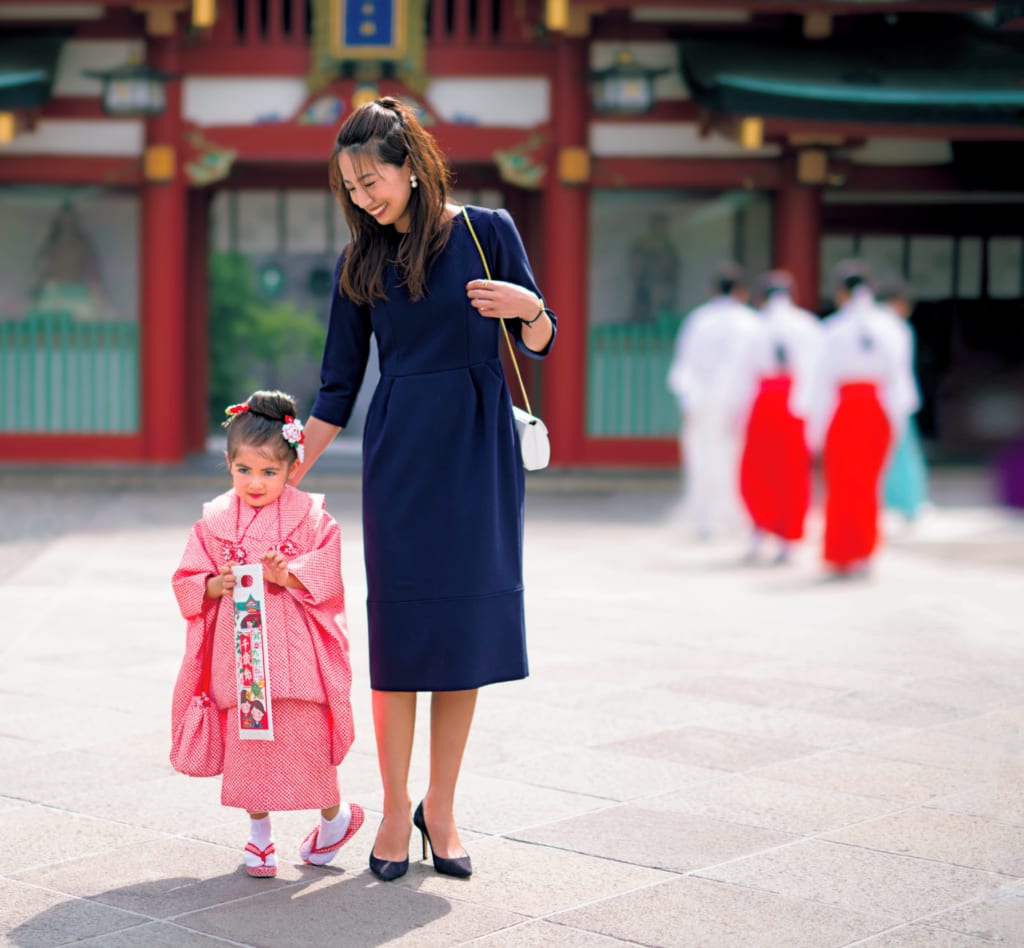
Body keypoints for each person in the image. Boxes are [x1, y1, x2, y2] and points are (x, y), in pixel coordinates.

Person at [291, 97, 556, 881]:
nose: (364, 197)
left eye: (372, 180)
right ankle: (394, 805)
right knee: (403, 638)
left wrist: (529, 307)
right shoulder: (358, 262)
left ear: (412, 166)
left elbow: (541, 341)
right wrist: (280, 475)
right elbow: (337, 387)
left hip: (479, 449)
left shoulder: (488, 230)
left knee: (465, 636)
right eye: (351, 187)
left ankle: (441, 805)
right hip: (403, 452)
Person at [171, 389, 362, 878]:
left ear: (292, 467)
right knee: (250, 753)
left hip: (296, 659)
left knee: (308, 750)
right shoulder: (213, 523)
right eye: (244, 470)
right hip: (242, 660)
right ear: (229, 464)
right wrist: (214, 583)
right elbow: (187, 580)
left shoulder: (314, 518)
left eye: (269, 472)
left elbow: (327, 577)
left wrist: (287, 574)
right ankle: (260, 838)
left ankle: (334, 817)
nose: (255, 483)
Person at [797, 262, 919, 575]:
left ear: (840, 293)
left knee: (840, 483)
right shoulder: (891, 328)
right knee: (869, 483)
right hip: (877, 409)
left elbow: (820, 383)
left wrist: (815, 430)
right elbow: (900, 382)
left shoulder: (833, 329)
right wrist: (897, 423)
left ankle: (841, 551)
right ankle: (865, 550)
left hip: (845, 410)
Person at [666, 262, 761, 539]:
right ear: (742, 291)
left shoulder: (699, 320)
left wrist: (688, 402)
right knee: (737, 458)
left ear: (712, 290)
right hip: (740, 401)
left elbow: (684, 367)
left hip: (703, 400)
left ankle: (706, 518)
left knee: (703, 458)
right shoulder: (751, 322)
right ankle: (737, 516)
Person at [737, 270, 822, 563]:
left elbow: (743, 376)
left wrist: (739, 415)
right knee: (793, 472)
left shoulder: (754, 327)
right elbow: (816, 371)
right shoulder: (808, 325)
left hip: (764, 401)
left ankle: (759, 529)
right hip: (797, 403)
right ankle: (788, 538)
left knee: (759, 470)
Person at [877, 277, 929, 522]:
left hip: (874, 399)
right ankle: (910, 504)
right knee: (903, 454)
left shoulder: (878, 324)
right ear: (897, 303)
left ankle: (888, 503)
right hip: (894, 398)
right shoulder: (897, 328)